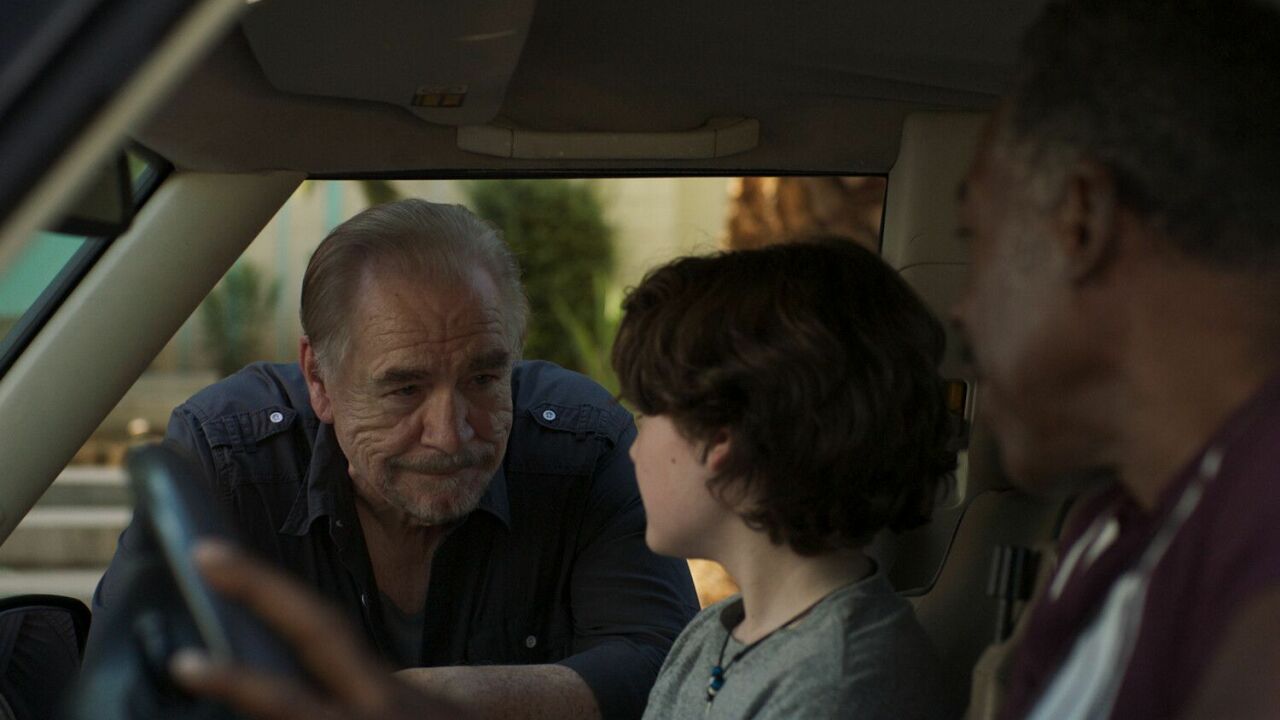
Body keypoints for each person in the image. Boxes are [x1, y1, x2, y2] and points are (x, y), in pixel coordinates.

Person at [87, 199, 700, 720]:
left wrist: (407, 701)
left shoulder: (581, 447)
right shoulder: (230, 459)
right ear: (318, 379)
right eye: (405, 389)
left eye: (484, 379)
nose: (451, 435)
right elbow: (128, 695)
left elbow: (662, 667)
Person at [952, 0, 1280, 717]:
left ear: (1081, 220)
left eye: (974, 238)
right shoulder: (1109, 530)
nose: (962, 309)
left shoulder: (1257, 551)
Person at [619, 239, 957, 719]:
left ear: (719, 439)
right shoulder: (714, 633)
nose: (634, 448)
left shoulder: (840, 687)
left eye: (648, 413)